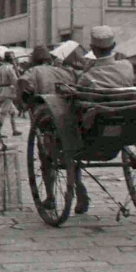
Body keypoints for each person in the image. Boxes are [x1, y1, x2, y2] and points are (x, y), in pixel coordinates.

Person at [18, 45, 90, 214]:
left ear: (34, 61)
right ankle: (79, 191)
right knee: (73, 156)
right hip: (71, 120)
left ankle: (50, 197)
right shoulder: (65, 71)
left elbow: (24, 85)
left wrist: (25, 99)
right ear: (49, 59)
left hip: (48, 122)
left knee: (46, 159)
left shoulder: (33, 72)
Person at [0, 52, 21, 137]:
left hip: (2, 91)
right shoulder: (9, 68)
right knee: (4, 112)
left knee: (13, 112)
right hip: (8, 91)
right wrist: (18, 89)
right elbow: (14, 80)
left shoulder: (0, 68)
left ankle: (14, 130)